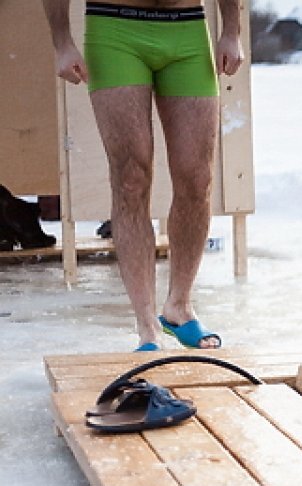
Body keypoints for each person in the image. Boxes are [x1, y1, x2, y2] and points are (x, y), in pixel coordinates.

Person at [42, 0, 243, 352]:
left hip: (188, 27)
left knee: (197, 179)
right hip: (114, 27)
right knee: (131, 179)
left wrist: (231, 29)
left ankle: (178, 307)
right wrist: (62, 41)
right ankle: (147, 324)